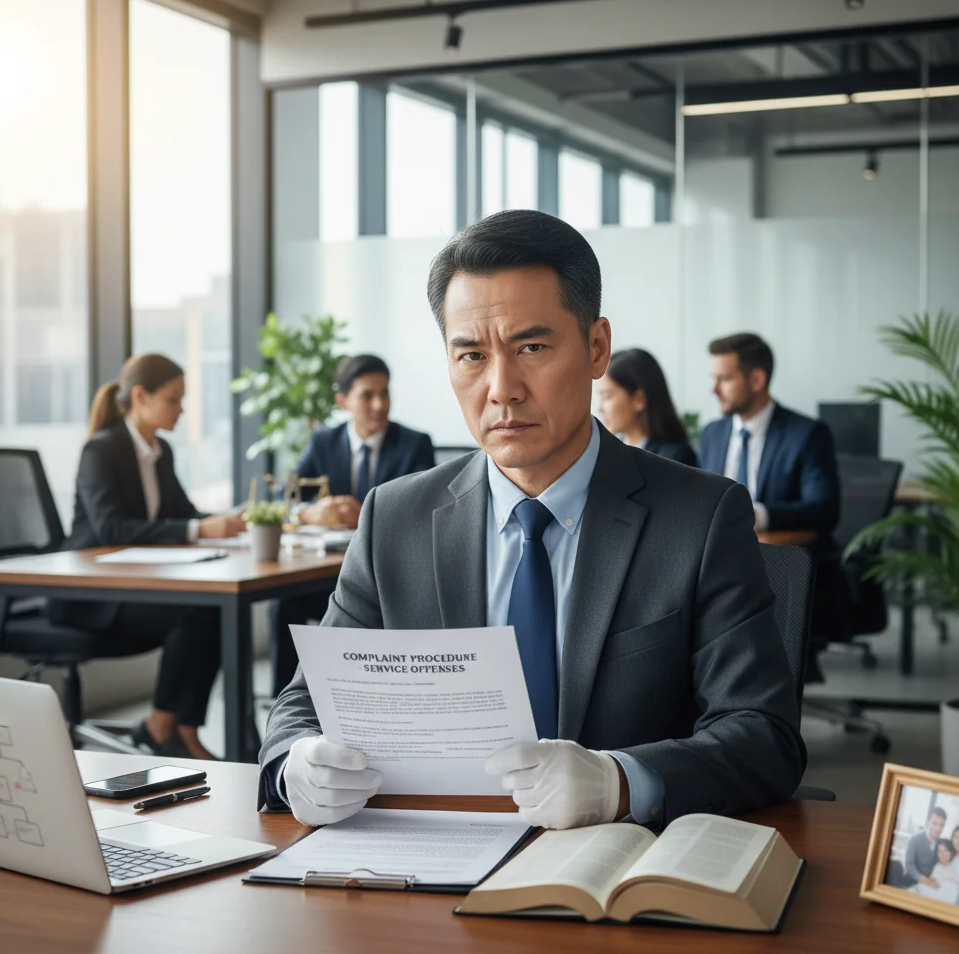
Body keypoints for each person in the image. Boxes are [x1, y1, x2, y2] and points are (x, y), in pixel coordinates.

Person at [259, 209, 805, 829]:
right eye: (470, 355)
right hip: (429, 869)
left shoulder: (700, 518)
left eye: (532, 347)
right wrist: (295, 762)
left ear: (597, 348)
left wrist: (621, 780)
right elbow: (304, 703)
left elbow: (763, 735)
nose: (502, 387)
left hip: (614, 875)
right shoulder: (396, 517)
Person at [48, 354, 245, 759]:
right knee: (196, 612)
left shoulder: (160, 451)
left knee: (214, 610)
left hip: (132, 586)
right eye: (173, 399)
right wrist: (197, 529)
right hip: (88, 595)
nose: (182, 409)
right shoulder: (101, 451)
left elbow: (183, 515)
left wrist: (225, 521)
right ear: (140, 396)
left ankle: (183, 729)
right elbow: (110, 530)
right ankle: (160, 727)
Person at [269, 354, 436, 695]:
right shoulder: (323, 442)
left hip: (388, 579)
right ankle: (284, 708)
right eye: (367, 395)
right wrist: (310, 512)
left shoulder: (413, 444)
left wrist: (367, 515)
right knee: (284, 606)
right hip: (327, 574)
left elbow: (426, 514)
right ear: (342, 401)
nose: (379, 404)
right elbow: (280, 499)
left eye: (384, 394)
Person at [698, 333, 839, 538]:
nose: (714, 389)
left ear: (756, 380)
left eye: (725, 379)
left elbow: (824, 510)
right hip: (715, 557)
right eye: (713, 378)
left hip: (780, 559)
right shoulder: (712, 434)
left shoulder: (807, 434)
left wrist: (755, 515)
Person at [597, 348, 698, 467]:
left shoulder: (673, 459)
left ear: (638, 399)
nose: (599, 408)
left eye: (607, 396)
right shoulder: (608, 454)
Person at [903, 806, 947, 889]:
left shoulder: (941, 844)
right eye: (934, 823)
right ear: (928, 822)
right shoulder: (915, 839)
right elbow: (909, 865)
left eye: (941, 825)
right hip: (911, 883)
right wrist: (923, 880)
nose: (938, 828)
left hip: (930, 887)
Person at [915, 838, 959, 904]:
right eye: (940, 851)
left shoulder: (955, 868)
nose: (943, 854)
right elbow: (932, 880)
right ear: (937, 853)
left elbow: (953, 889)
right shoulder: (937, 866)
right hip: (933, 895)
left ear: (951, 852)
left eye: (946, 851)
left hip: (946, 898)